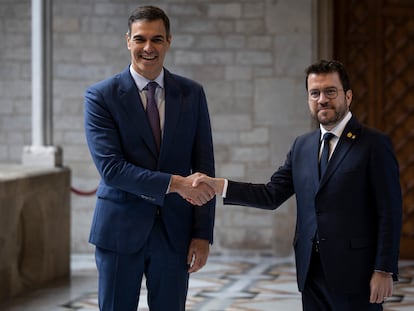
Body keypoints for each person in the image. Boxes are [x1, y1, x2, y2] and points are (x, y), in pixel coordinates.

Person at [192, 60, 402, 310]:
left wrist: (384, 270)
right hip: (310, 273)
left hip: (356, 274)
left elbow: (390, 212)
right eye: (315, 93)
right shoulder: (302, 146)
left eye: (330, 91)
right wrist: (219, 186)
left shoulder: (374, 144)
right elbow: (271, 194)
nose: (322, 99)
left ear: (348, 95)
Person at [84, 5, 216, 311]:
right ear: (127, 40)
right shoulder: (100, 97)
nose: (148, 48)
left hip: (175, 233)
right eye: (140, 39)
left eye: (157, 39)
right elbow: (112, 169)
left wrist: (202, 234)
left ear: (169, 41)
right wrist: (176, 184)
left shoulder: (192, 94)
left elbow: (204, 168)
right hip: (119, 230)